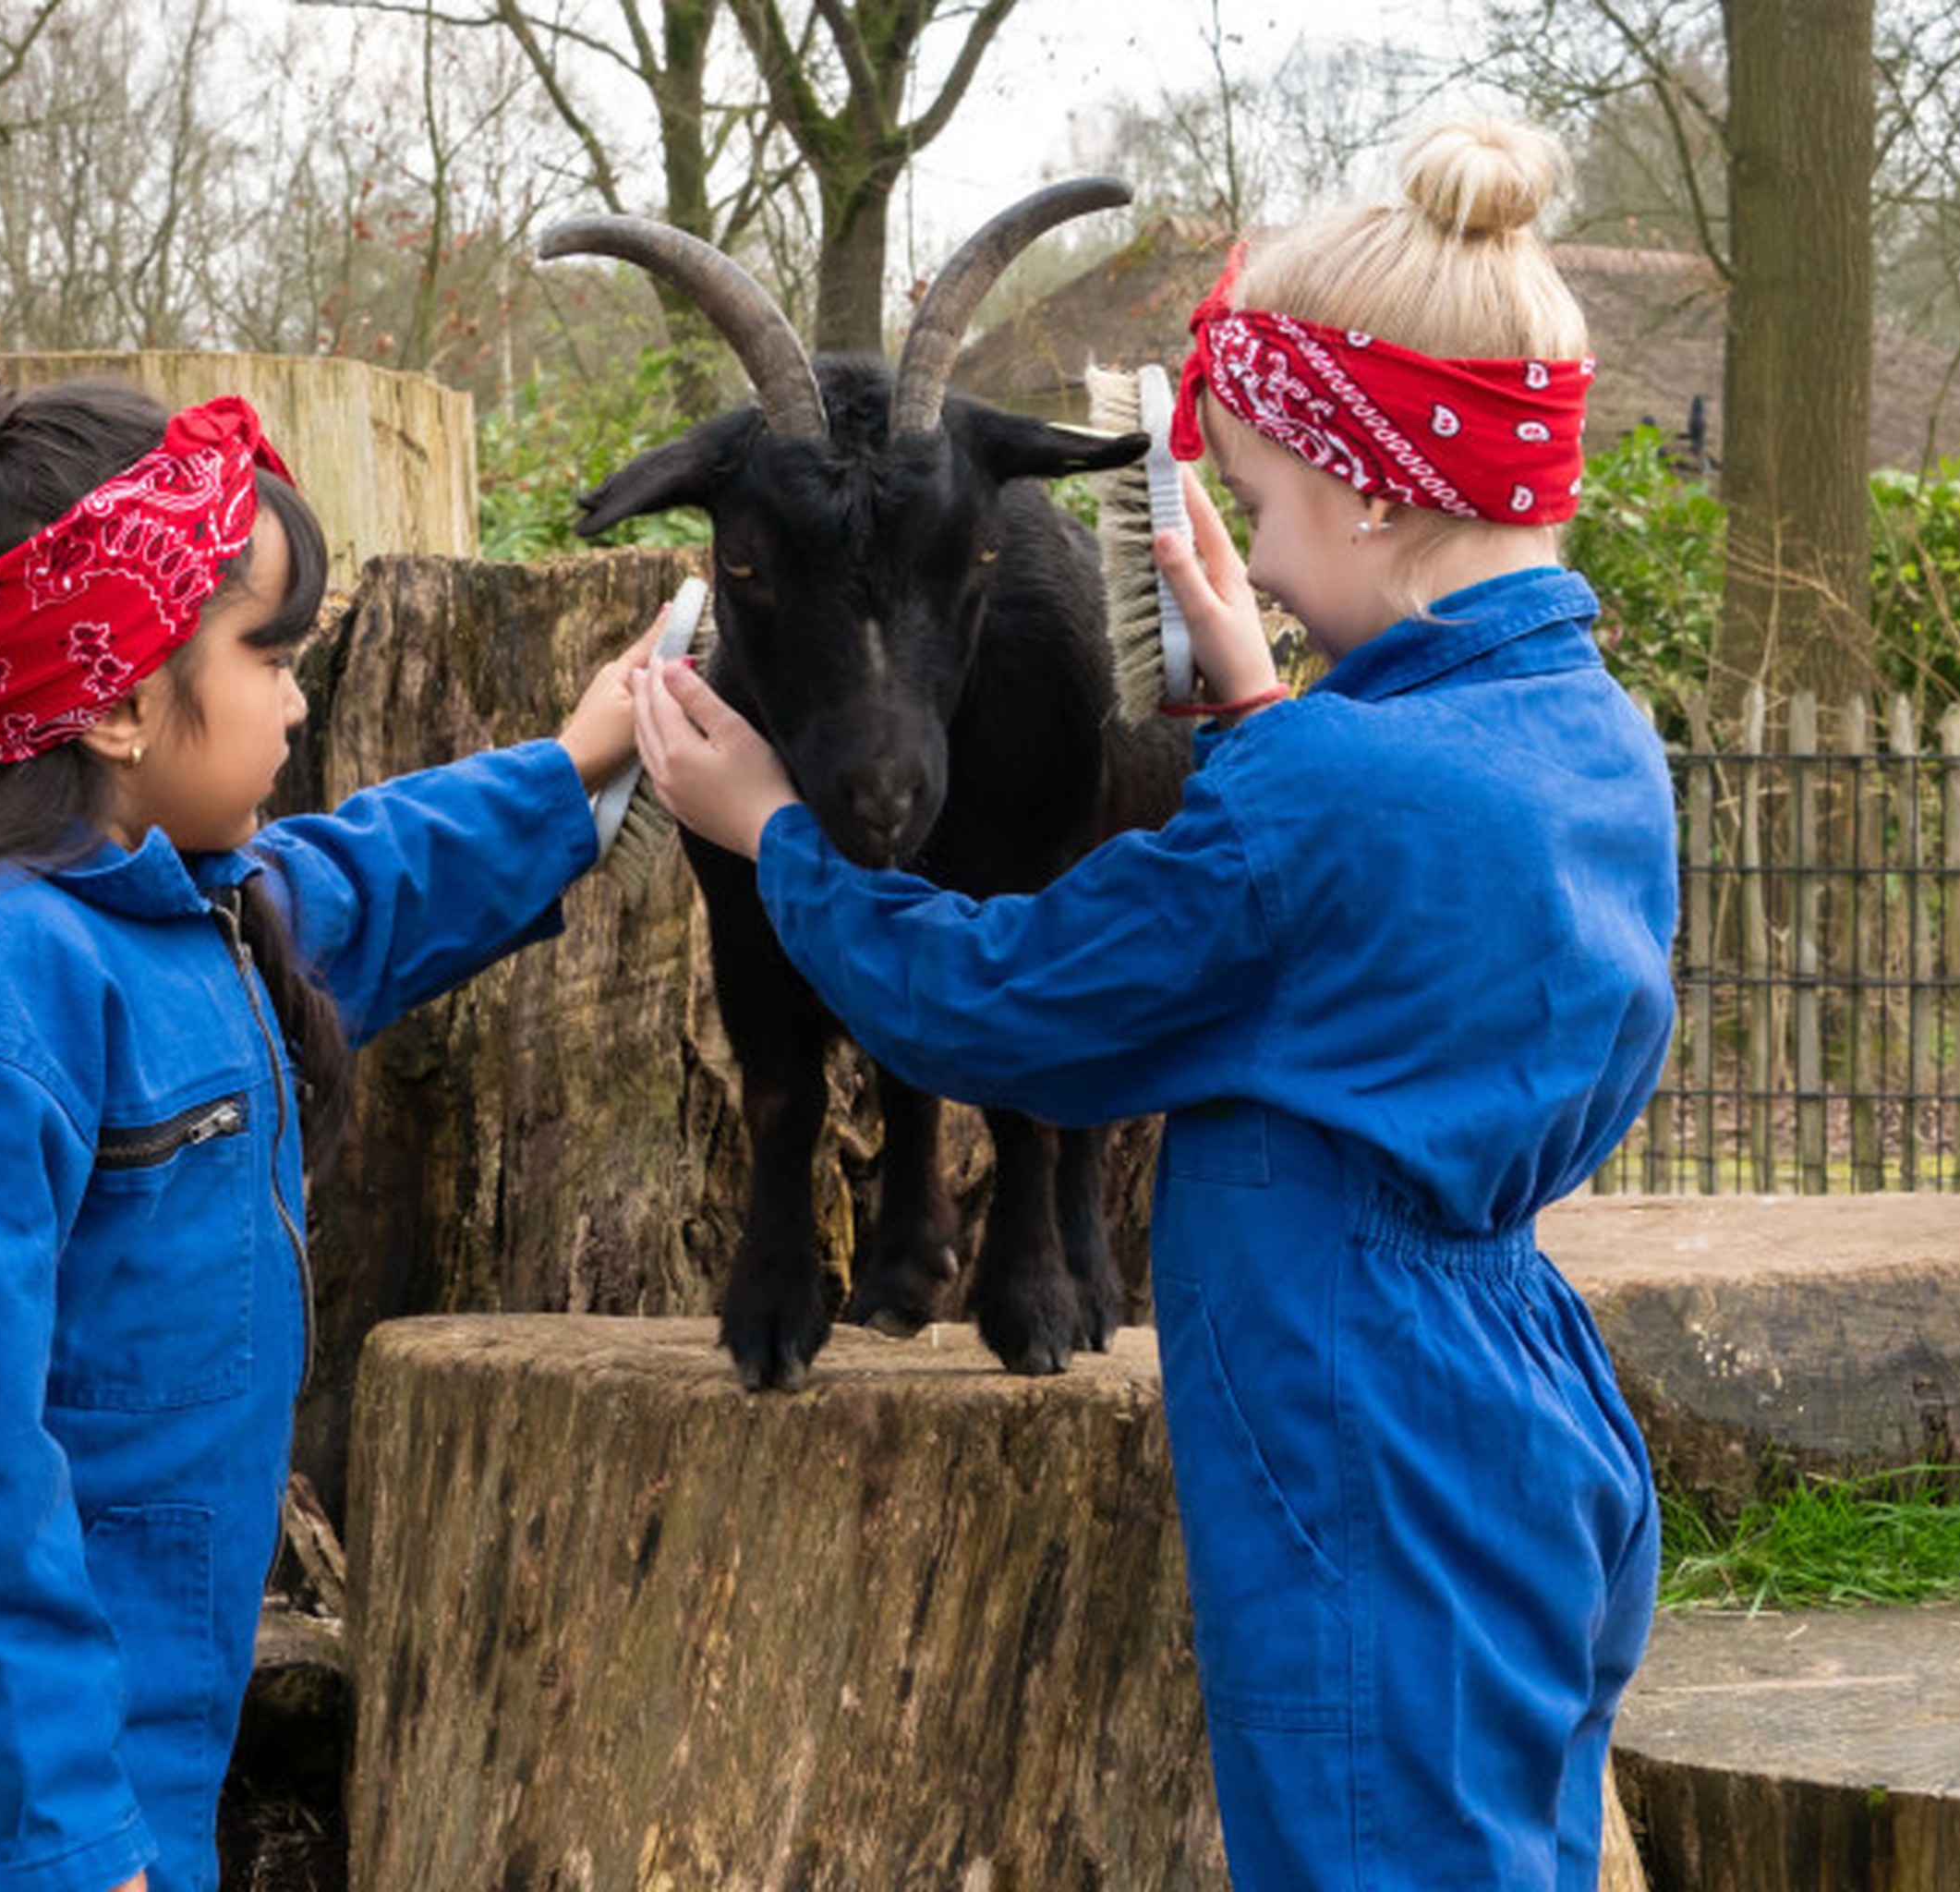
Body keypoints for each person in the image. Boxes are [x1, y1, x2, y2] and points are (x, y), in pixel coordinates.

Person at [634, 118, 1676, 1892]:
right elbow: (1387, 916)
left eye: (1258, 511)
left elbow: (998, 1004)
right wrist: (1266, 713)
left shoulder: (1322, 800)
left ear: (1369, 494)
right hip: (1532, 1404)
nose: (1244, 565)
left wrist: (774, 837)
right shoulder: (1591, 744)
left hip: (1359, 1434)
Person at [0, 368, 654, 1892]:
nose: (300, 699)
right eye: (271, 655)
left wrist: (577, 767)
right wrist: (64, 1847)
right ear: (114, 699)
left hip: (130, 1749)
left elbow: (367, 880)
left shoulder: (190, 911)